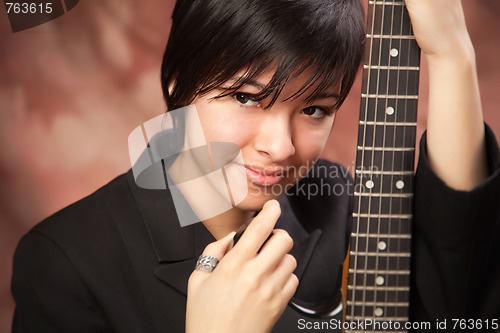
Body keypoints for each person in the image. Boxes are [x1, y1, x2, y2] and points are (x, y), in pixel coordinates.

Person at [11, 0, 500, 332]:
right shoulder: (65, 262)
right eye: (246, 98)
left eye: (315, 109)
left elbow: (455, 288)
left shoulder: (337, 199)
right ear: (180, 79)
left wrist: (452, 54)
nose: (280, 146)